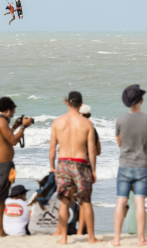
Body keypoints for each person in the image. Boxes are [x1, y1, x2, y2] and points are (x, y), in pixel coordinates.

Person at [49, 91, 101, 245]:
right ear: (81, 104)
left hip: (63, 163)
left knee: (64, 202)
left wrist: (52, 166)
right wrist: (93, 170)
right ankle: (91, 237)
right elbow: (92, 150)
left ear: (67, 103)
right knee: (85, 201)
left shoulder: (57, 122)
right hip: (81, 163)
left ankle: (63, 238)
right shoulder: (87, 123)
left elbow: (52, 149)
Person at [109, 84, 147, 247]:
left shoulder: (120, 120)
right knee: (140, 202)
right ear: (141, 100)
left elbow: (119, 143)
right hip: (142, 166)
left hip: (124, 165)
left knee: (120, 202)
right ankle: (141, 239)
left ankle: (116, 239)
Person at [0, 97, 32, 237]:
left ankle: (0, 230)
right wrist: (24, 127)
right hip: (2, 165)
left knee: (1, 200)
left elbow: (4, 136)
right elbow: (13, 140)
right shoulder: (0, 121)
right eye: (12, 112)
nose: (13, 115)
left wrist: (15, 127)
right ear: (7, 110)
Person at [77, 104, 101, 235]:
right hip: (86, 165)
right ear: (89, 116)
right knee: (85, 200)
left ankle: (76, 230)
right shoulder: (93, 129)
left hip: (70, 163)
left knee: (68, 200)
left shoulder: (72, 127)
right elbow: (97, 151)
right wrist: (93, 170)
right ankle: (83, 231)